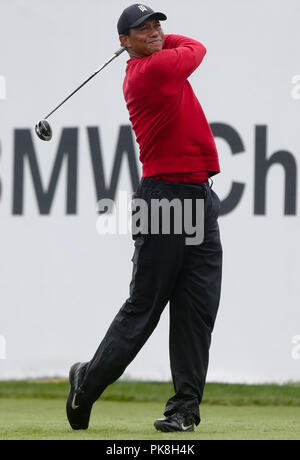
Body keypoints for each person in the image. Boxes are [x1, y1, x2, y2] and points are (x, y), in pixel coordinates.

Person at [66, 3, 223, 432]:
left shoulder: (153, 62)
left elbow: (183, 46)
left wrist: (149, 42)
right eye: (142, 28)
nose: (154, 32)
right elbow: (197, 47)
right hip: (163, 201)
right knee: (145, 309)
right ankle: (87, 381)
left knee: (197, 309)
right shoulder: (150, 72)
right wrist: (158, 45)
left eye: (157, 25)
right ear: (123, 41)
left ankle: (183, 410)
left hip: (199, 198)